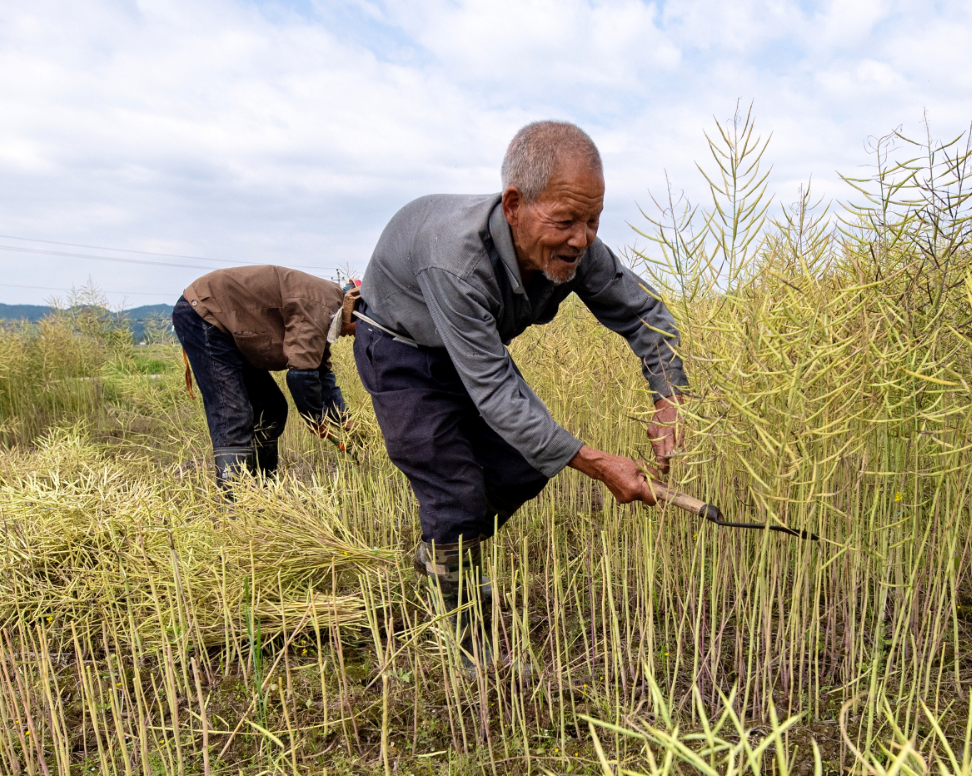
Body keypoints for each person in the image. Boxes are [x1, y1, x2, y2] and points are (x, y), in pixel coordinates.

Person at [353, 120, 686, 624]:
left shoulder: (581, 249)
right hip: (402, 350)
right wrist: (597, 464)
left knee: (526, 466)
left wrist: (669, 400)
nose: (581, 239)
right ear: (513, 206)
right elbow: (494, 392)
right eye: (566, 221)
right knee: (457, 495)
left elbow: (646, 317)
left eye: (593, 221)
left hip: (472, 343)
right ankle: (475, 650)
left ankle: (443, 551)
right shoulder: (456, 260)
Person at [173, 266, 357, 486]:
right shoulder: (320, 304)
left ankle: (265, 491)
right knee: (233, 414)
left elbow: (320, 371)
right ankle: (235, 505)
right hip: (204, 315)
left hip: (232, 331)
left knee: (271, 409)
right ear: (354, 311)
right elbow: (301, 374)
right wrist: (315, 416)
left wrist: (344, 419)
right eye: (361, 329)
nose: (354, 335)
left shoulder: (328, 308)